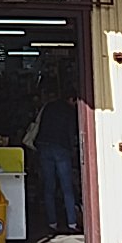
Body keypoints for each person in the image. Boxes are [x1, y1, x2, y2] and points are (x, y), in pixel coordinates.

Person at [34, 88, 79, 234]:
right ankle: (72, 222)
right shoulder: (69, 111)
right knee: (67, 187)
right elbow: (71, 133)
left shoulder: (49, 106)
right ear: (72, 99)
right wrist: (73, 149)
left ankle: (52, 222)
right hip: (61, 148)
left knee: (49, 186)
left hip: (44, 146)